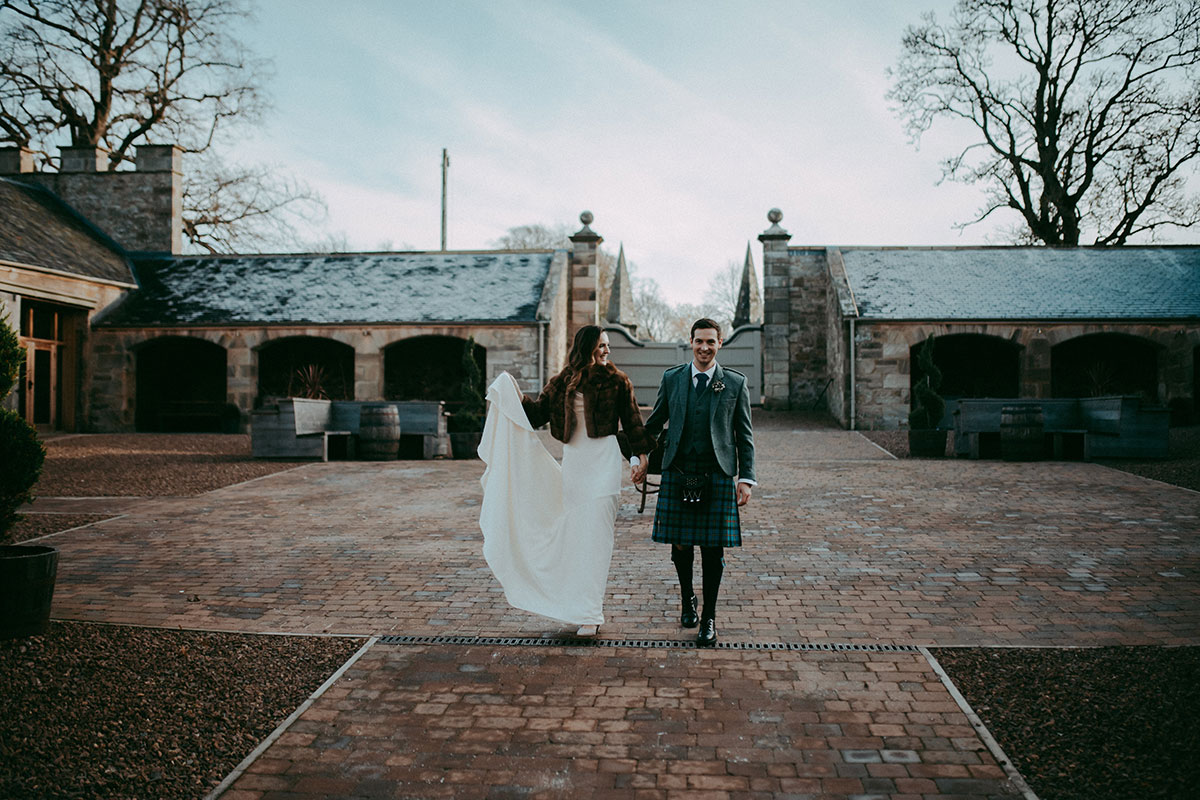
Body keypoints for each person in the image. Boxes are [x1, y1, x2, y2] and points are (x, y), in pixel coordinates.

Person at [477, 325, 653, 636]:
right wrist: (514, 392)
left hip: (604, 467)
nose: (607, 351)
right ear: (586, 347)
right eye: (601, 345)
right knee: (577, 541)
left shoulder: (618, 381)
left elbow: (633, 423)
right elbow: (536, 415)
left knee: (596, 541)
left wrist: (638, 458)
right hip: (575, 468)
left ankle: (590, 613)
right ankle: (577, 605)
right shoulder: (562, 382)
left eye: (608, 345)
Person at [633, 318, 755, 646]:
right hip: (678, 471)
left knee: (713, 550)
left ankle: (710, 617)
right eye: (699, 341)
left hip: (716, 473)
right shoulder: (672, 378)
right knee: (681, 544)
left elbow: (744, 435)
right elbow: (655, 423)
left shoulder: (734, 383)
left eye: (710, 342)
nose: (704, 348)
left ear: (720, 344)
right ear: (691, 342)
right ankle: (688, 598)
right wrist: (640, 457)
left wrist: (746, 478)